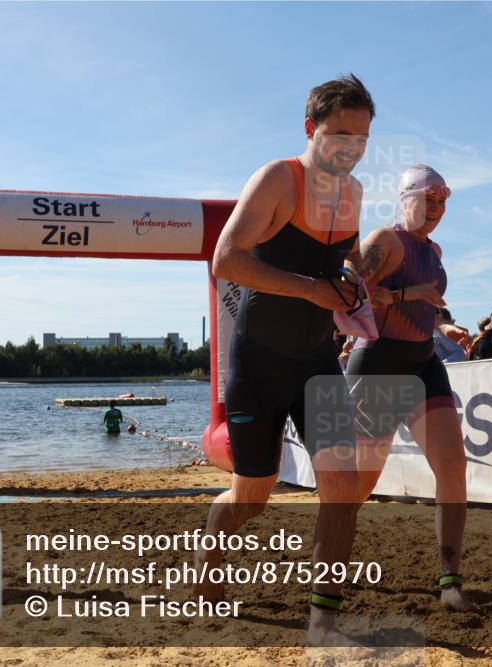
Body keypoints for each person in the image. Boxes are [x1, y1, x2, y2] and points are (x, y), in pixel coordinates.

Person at [196, 74, 376, 645]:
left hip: (317, 359)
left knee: (341, 488)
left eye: (362, 138)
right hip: (257, 363)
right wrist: (312, 290)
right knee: (254, 493)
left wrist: (351, 283)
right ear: (310, 129)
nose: (350, 148)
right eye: (339, 134)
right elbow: (227, 260)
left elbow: (341, 260)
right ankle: (210, 546)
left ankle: (323, 620)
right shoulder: (278, 178)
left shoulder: (355, 194)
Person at [344, 164, 473, 611]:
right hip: (378, 364)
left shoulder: (433, 249)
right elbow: (349, 295)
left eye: (442, 203)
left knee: (453, 468)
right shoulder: (385, 240)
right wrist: (408, 295)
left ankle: (450, 581)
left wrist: (444, 326)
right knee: (359, 484)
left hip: (422, 361)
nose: (436, 210)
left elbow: (425, 300)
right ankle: (330, 566)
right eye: (429, 200)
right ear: (406, 198)